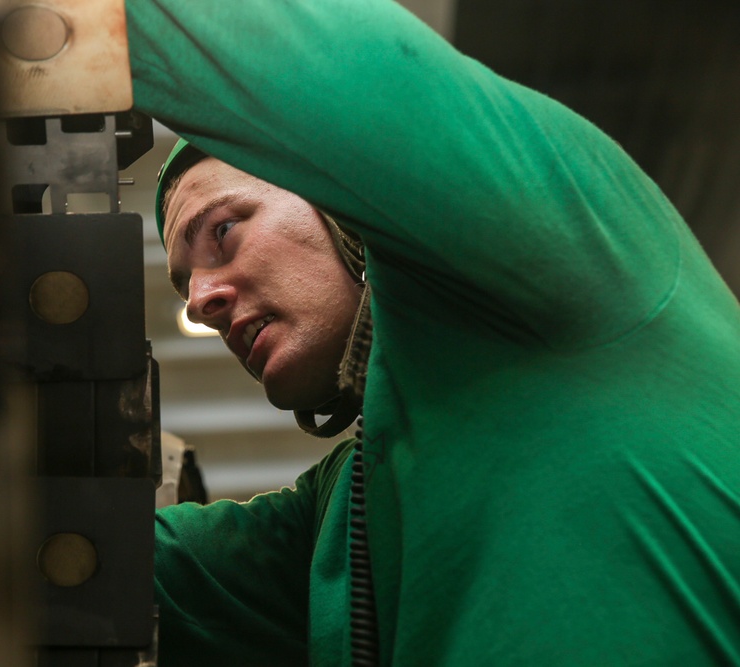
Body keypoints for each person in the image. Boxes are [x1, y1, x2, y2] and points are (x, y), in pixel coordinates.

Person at [124, 0, 740, 665]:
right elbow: (124, 565)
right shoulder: (343, 507)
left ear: (347, 198)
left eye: (224, 231)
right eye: (185, 283)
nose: (204, 299)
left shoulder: (564, 245)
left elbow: (351, 70)